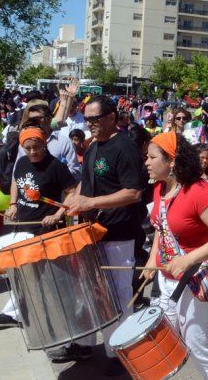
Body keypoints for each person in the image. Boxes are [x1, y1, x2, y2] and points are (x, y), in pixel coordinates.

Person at [141, 131, 208, 380]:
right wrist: (153, 260)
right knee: (169, 335)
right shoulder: (160, 188)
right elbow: (160, 228)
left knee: (197, 340)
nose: (147, 162)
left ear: (171, 161)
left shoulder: (198, 191)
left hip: (198, 275)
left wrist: (188, 259)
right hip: (168, 276)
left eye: (152, 157)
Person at [58, 96, 146, 372]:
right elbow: (87, 180)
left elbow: (133, 193)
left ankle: (120, 353)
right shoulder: (94, 145)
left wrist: (91, 203)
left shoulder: (125, 147)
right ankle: (84, 344)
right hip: (92, 230)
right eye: (88, 120)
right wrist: (73, 202)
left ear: (112, 118)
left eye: (95, 119)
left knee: (119, 294)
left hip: (119, 231)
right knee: (90, 291)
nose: (90, 124)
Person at [0, 127, 77, 329]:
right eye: (27, 148)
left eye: (36, 147)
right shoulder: (21, 162)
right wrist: (12, 204)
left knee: (47, 277)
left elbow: (72, 192)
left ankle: (56, 317)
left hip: (46, 230)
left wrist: (56, 215)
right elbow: (15, 182)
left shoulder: (55, 167)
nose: (32, 152)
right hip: (24, 226)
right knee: (24, 273)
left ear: (43, 144)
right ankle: (15, 313)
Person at [18, 103, 81, 180]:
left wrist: (54, 176)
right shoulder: (25, 143)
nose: (34, 122)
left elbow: (75, 171)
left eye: (37, 119)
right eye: (31, 120)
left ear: (49, 119)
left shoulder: (64, 143)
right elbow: (17, 173)